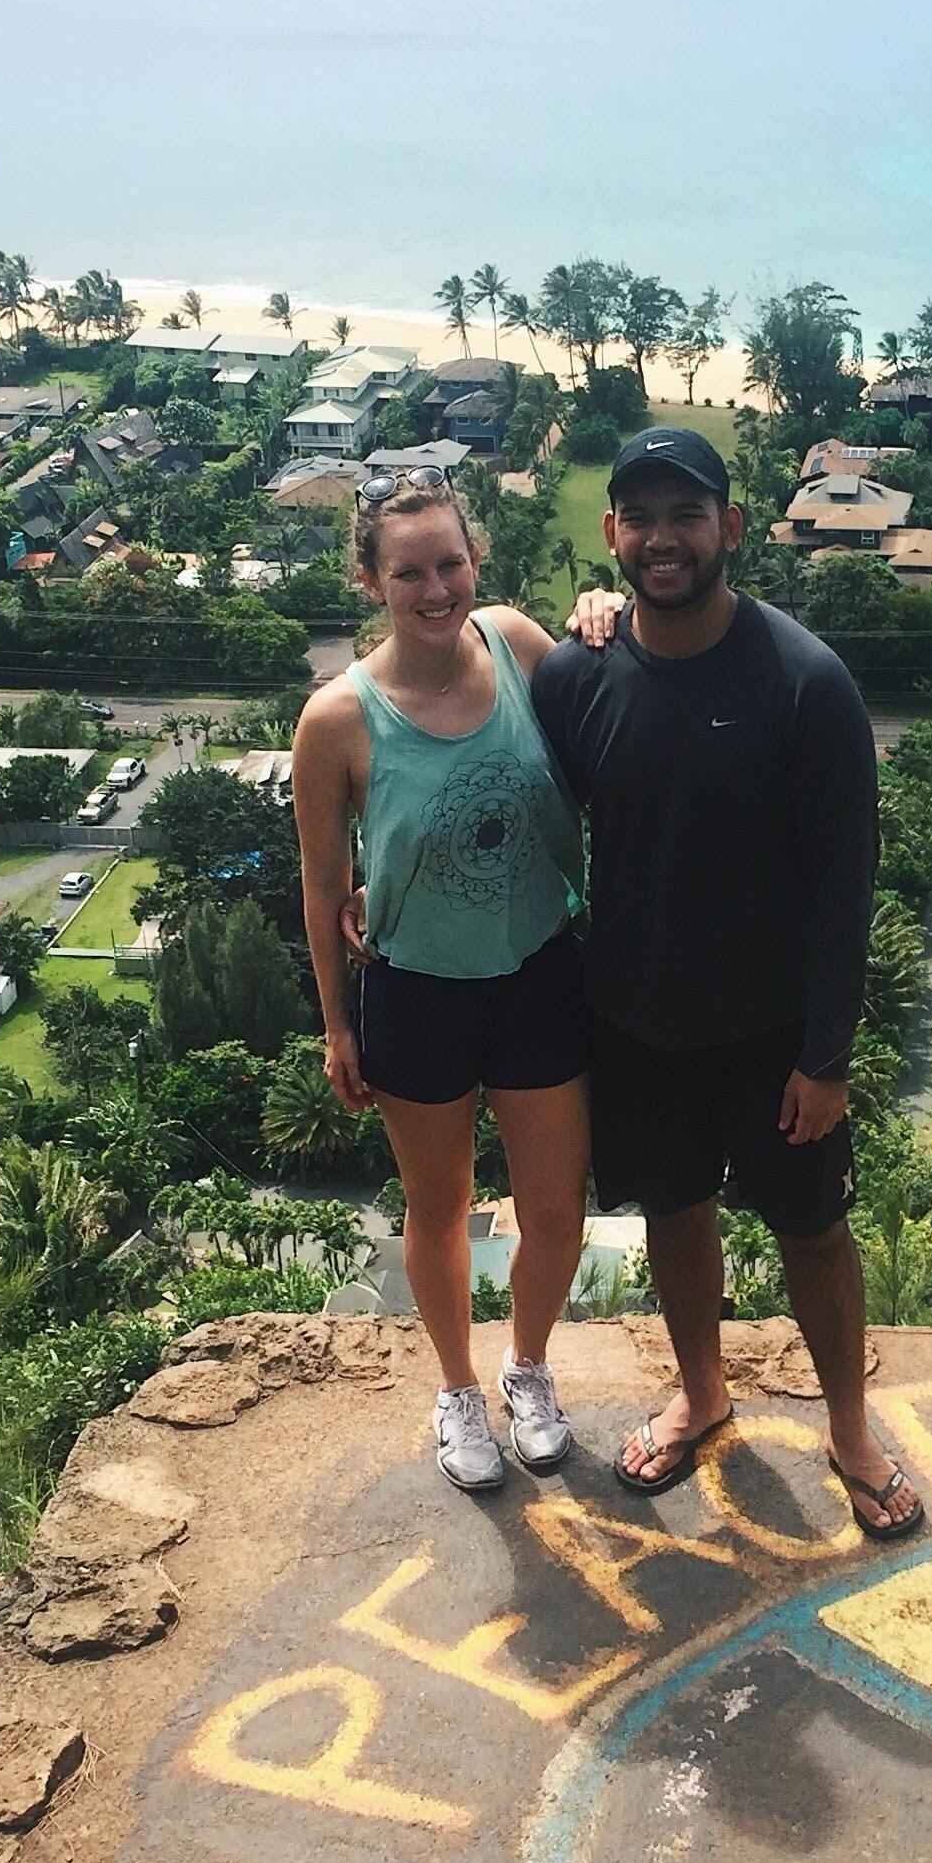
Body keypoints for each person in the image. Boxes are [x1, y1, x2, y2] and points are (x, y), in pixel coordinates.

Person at [530, 425, 922, 1538]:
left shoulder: (806, 684)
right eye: (640, 517)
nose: (662, 539)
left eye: (685, 515)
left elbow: (847, 888)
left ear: (730, 529)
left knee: (813, 1233)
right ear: (611, 534)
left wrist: (826, 1057)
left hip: (771, 1034)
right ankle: (703, 1393)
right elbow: (513, 791)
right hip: (637, 1024)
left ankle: (848, 1425)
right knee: (676, 1211)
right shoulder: (579, 674)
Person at [291, 474, 591, 1494]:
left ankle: (529, 1367)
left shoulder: (515, 643)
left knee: (555, 1208)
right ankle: (458, 1390)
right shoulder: (338, 719)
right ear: (372, 580)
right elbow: (323, 883)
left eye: (450, 564)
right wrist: (337, 1024)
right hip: (417, 990)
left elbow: (612, 707)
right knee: (440, 1207)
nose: (435, 588)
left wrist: (605, 618)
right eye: (409, 571)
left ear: (477, 562)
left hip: (541, 969)